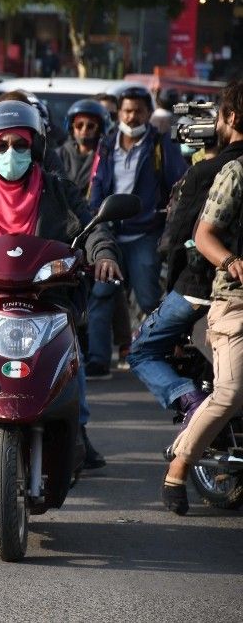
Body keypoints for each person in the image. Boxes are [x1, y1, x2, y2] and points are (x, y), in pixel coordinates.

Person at [0, 100, 122, 470]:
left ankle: (77, 430)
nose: (10, 153)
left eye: (19, 145)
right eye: (1, 146)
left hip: (45, 296)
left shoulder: (59, 190)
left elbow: (92, 228)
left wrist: (103, 255)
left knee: (69, 358)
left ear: (35, 148)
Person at [129, 84, 243, 418]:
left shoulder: (207, 172)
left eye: (218, 116)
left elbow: (178, 241)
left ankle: (190, 400)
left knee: (141, 350)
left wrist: (171, 294)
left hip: (199, 287)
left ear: (230, 117)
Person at [162, 80, 243, 515]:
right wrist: (232, 262)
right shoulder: (235, 173)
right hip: (235, 302)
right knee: (230, 393)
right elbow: (203, 235)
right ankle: (179, 465)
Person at [85, 86, 188, 379]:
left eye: (138, 111)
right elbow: (97, 185)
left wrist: (168, 223)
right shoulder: (107, 144)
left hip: (145, 234)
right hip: (110, 234)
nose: (132, 117)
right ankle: (98, 360)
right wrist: (96, 219)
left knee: (148, 299)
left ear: (148, 113)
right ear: (119, 113)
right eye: (127, 111)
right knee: (101, 295)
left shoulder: (159, 144)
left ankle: (160, 354)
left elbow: (178, 183)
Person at [59, 99, 109, 197]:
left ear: (99, 129)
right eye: (79, 125)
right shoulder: (59, 154)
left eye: (90, 126)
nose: (84, 129)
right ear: (72, 127)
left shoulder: (106, 157)